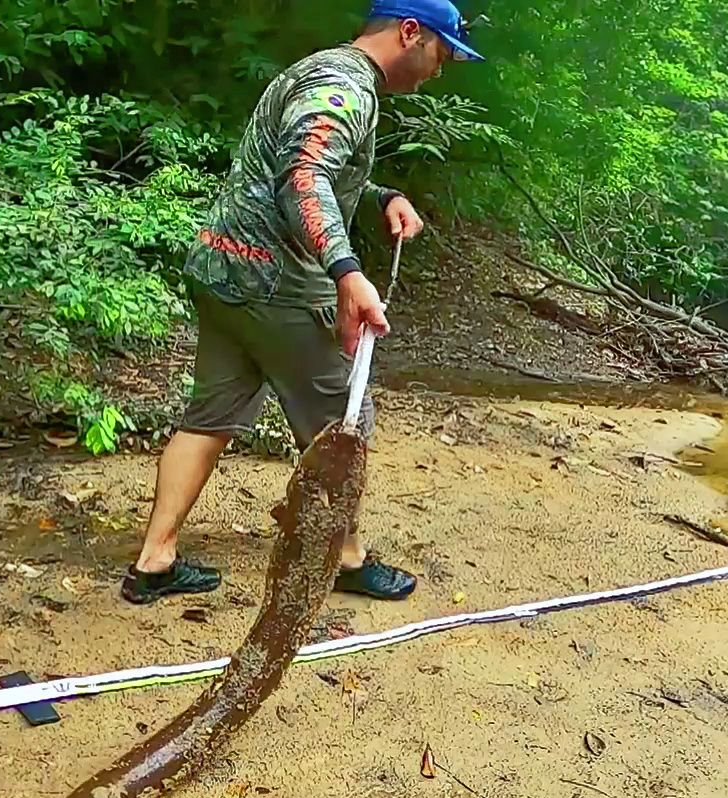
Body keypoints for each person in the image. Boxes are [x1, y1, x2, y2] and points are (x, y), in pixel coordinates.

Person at [121, 0, 483, 606]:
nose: (439, 69)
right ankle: (343, 558)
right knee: (345, 424)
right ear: (410, 32)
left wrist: (380, 194)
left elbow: (302, 165)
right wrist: (346, 272)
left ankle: (154, 561)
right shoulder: (347, 88)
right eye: (441, 53)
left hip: (221, 273)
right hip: (279, 290)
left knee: (209, 418)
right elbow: (304, 177)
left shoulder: (319, 70)